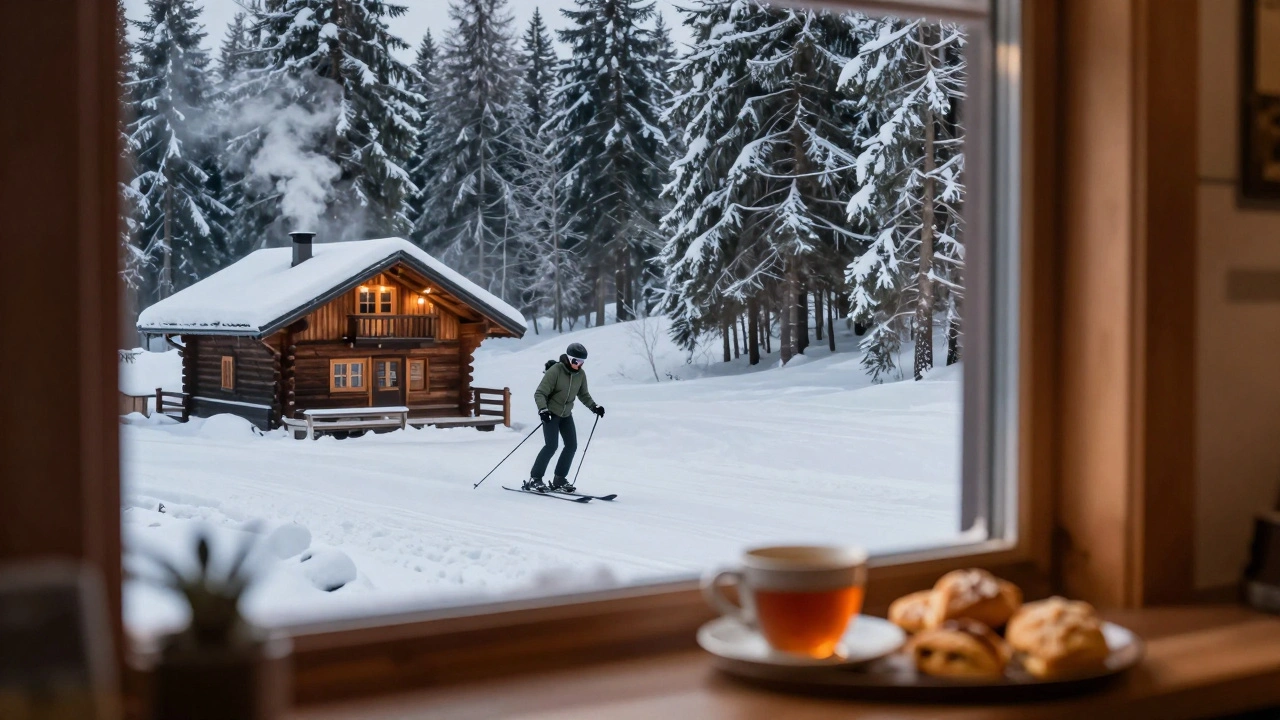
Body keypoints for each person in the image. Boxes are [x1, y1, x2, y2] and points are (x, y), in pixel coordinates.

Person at [525, 342, 605, 493]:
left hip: (566, 414)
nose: (579, 365)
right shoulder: (556, 370)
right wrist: (543, 410)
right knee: (551, 446)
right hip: (551, 413)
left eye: (581, 362)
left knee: (571, 446)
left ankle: (559, 479)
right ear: (568, 359)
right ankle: (535, 479)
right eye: (576, 361)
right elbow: (540, 393)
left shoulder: (580, 374)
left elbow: (583, 394)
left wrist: (594, 407)